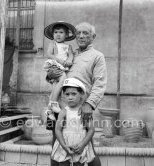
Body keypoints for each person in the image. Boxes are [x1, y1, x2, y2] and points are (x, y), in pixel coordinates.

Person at [50, 22, 107, 166]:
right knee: (56, 145)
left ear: (93, 37)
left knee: (88, 149)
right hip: (60, 105)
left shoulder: (97, 56)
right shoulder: (69, 54)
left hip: (81, 108)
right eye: (78, 33)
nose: (81, 36)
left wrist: (89, 104)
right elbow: (55, 75)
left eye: (85, 33)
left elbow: (99, 83)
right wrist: (51, 75)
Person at [51, 78, 95, 166]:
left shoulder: (84, 112)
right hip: (65, 146)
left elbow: (91, 130)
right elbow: (58, 130)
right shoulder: (64, 112)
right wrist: (64, 146)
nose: (70, 97)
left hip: (80, 146)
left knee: (79, 164)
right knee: (63, 163)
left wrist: (82, 145)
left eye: (73, 94)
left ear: (81, 94)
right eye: (67, 94)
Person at [43, 21, 76, 122]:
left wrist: (69, 60)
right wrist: (59, 59)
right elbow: (48, 54)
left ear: (66, 35)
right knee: (63, 79)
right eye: (56, 32)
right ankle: (53, 103)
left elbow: (71, 55)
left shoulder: (68, 46)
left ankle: (49, 110)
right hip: (54, 65)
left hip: (63, 66)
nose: (58, 34)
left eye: (61, 32)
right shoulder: (52, 44)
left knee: (55, 88)